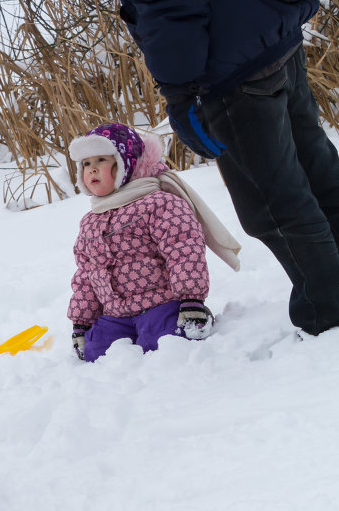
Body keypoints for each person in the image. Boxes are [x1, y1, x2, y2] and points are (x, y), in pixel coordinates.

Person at [103, 0, 339, 337]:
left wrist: (180, 90)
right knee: (318, 172)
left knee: (273, 204)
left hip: (230, 67)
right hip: (271, 35)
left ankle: (327, 314)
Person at [68, 123, 242, 362]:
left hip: (161, 303)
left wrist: (191, 299)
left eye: (101, 160)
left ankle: (197, 321)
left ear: (125, 163)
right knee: (96, 353)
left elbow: (183, 250)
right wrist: (82, 322)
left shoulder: (158, 203)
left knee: (164, 343)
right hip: (116, 313)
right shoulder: (90, 221)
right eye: (86, 164)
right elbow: (87, 274)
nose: (92, 170)